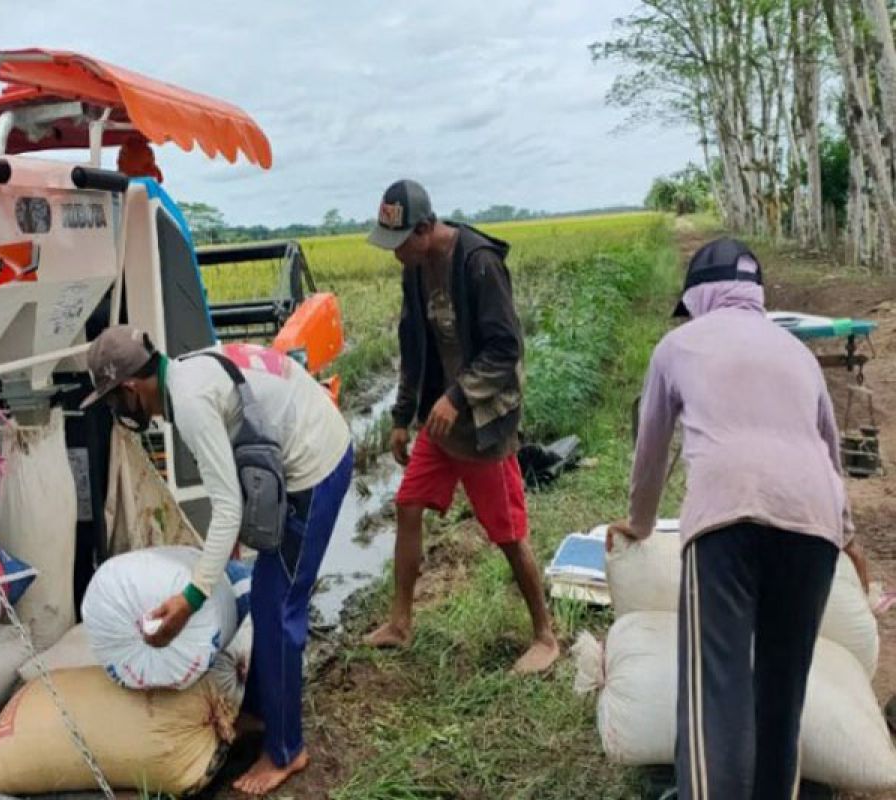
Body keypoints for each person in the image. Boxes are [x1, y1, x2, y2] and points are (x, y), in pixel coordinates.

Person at [608, 238, 853, 799]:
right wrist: (849, 536)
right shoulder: (797, 352)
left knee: (716, 696)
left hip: (726, 519)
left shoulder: (678, 345)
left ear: (700, 296)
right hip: (814, 523)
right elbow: (831, 452)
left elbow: (650, 451)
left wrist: (640, 523)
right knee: (782, 690)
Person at [80, 327, 352, 796]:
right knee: (268, 596)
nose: (115, 412)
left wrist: (190, 597)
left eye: (112, 402)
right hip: (306, 439)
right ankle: (263, 714)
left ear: (130, 389)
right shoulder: (187, 370)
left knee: (280, 608)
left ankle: (286, 750)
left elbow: (226, 507)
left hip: (315, 465)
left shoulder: (187, 402)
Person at [362, 179, 559, 674]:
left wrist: (457, 396)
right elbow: (413, 346)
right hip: (440, 421)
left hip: (484, 422)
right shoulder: (415, 268)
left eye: (401, 241)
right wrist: (402, 417)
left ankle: (545, 635)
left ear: (426, 228)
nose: (394, 254)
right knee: (407, 506)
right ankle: (400, 623)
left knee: (508, 532)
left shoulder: (478, 263)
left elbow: (505, 350)